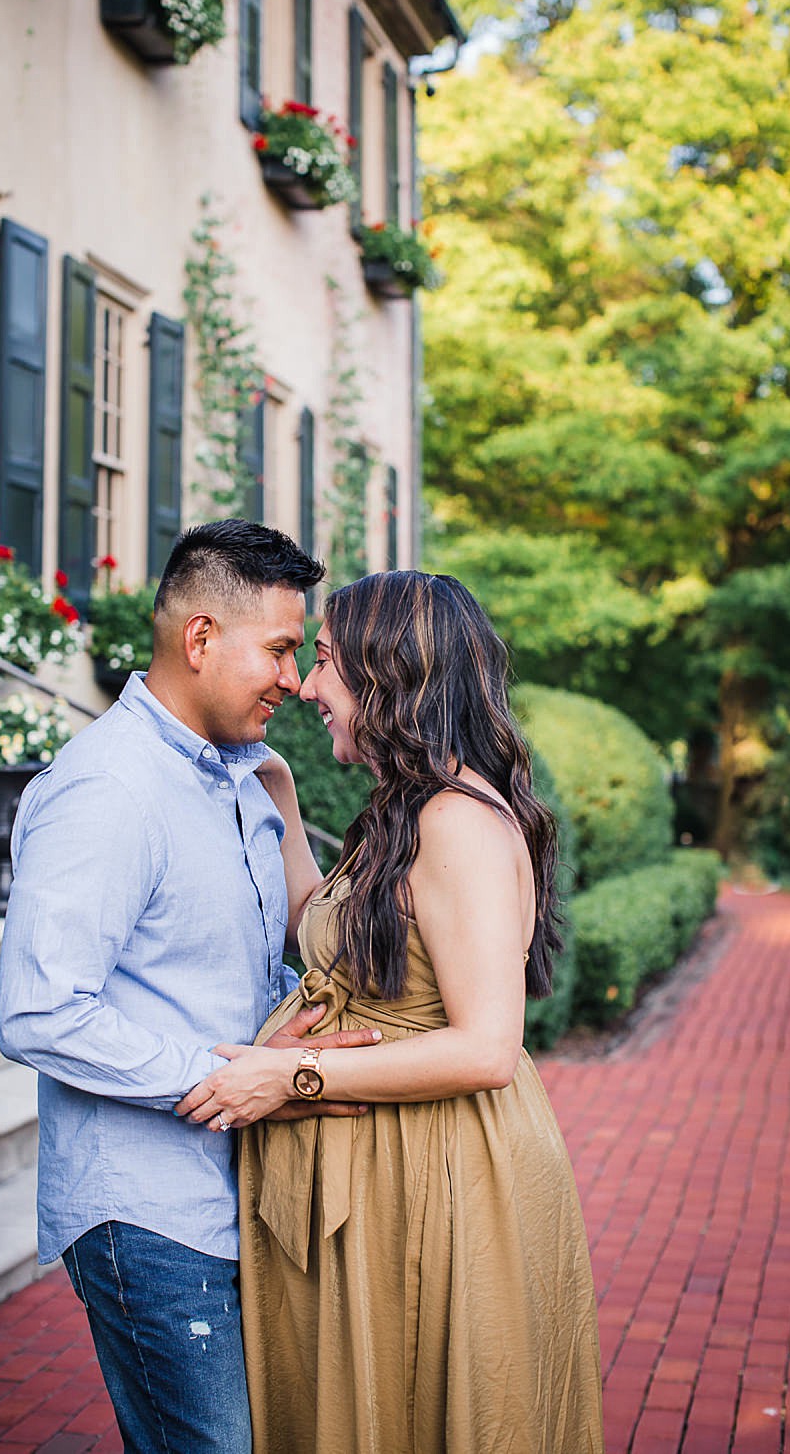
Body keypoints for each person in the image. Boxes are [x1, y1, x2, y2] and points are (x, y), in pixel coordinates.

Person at [177, 570, 605, 1454]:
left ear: (390, 674)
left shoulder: (461, 823)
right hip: (386, 1167)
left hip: (442, 1174)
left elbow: (488, 1047)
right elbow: (322, 936)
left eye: (326, 661)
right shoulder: (401, 813)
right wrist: (283, 801)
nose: (305, 686)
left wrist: (288, 1075)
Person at [0, 520, 378, 1454]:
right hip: (148, 1214)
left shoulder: (242, 780)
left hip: (228, 1197)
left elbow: (230, 965)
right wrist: (237, 1075)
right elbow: (40, 1012)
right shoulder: (108, 791)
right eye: (282, 650)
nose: (295, 679)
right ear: (200, 639)